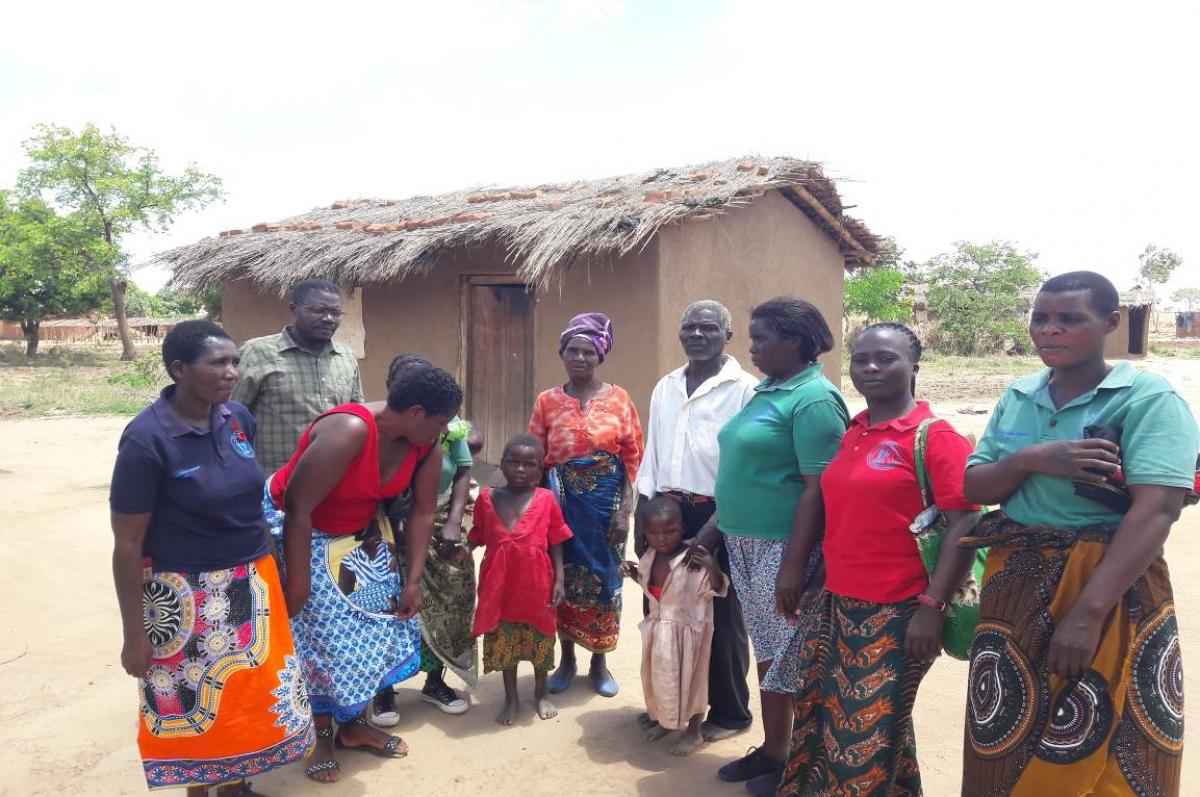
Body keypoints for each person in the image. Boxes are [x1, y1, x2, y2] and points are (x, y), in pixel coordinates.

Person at [960, 272, 1199, 796]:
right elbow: (974, 482)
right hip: (1014, 586)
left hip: (1108, 586)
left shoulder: (1146, 399)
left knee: (1111, 732)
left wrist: (1088, 615)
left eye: (1070, 319)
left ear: (1110, 323)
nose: (1050, 331)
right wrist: (1035, 459)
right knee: (1002, 726)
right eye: (1041, 318)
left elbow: (1157, 510)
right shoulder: (1019, 395)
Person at [776, 322, 981, 795]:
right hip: (838, 604)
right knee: (828, 717)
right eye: (860, 358)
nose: (869, 368)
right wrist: (819, 582)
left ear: (913, 366)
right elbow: (848, 516)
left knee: (860, 738)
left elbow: (965, 525)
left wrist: (932, 608)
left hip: (901, 608)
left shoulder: (936, 437)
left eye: (884, 359)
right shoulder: (856, 430)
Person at [109, 320, 314, 795]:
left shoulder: (237, 418)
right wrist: (134, 634)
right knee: (193, 702)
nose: (231, 372)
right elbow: (126, 544)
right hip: (185, 595)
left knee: (245, 695)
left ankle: (235, 785)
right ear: (180, 369)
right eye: (218, 362)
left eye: (235, 362)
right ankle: (198, 789)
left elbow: (253, 503)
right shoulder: (147, 440)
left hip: (251, 580)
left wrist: (277, 576)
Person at [265, 360, 462, 784]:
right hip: (302, 528)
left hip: (358, 530)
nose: (444, 431)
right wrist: (298, 584)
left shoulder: (423, 445)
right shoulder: (350, 431)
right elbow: (298, 507)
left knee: (379, 620)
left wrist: (412, 582)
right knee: (319, 633)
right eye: (441, 422)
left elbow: (425, 512)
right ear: (415, 414)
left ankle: (353, 727)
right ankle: (318, 735)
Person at [702, 297, 850, 796]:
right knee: (769, 651)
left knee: (796, 656)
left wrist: (793, 567)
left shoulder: (813, 399)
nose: (753, 348)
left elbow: (822, 489)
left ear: (795, 341)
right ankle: (775, 749)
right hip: (746, 545)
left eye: (762, 338)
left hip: (783, 548)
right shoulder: (769, 389)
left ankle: (806, 767)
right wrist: (714, 532)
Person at [635, 299, 757, 742]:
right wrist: (641, 511)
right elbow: (652, 450)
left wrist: (716, 525)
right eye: (690, 327)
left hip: (718, 511)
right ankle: (670, 705)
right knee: (664, 611)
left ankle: (730, 712)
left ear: (727, 336)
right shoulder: (666, 385)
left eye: (708, 328)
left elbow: (744, 467)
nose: (697, 335)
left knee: (719, 617)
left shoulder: (744, 388)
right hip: (666, 510)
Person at [529, 312, 644, 697]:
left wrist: (625, 511)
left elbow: (632, 458)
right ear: (562, 353)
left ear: (600, 357)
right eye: (572, 351)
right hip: (560, 502)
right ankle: (567, 660)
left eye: (588, 352)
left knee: (606, 579)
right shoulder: (546, 401)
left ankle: (599, 662)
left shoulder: (619, 398)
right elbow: (536, 456)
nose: (579, 358)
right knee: (560, 578)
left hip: (606, 502)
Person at [385, 354, 479, 719]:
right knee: (390, 603)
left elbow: (464, 470)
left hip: (438, 517)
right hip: (389, 522)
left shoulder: (446, 423)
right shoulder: (384, 428)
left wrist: (454, 521)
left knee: (453, 597)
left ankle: (435, 681)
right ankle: (384, 689)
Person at [468, 435, 572, 725]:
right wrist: (463, 550)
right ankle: (511, 697)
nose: (520, 469)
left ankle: (540, 694)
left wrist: (560, 578)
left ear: (540, 470)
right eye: (513, 462)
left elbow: (556, 541)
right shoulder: (488, 498)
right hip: (500, 585)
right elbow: (477, 534)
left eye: (529, 464)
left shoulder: (546, 499)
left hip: (538, 583)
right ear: (502, 464)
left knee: (541, 638)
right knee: (506, 639)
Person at [622, 497, 728, 757]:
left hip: (689, 635)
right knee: (658, 680)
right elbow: (656, 591)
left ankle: (694, 732)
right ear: (644, 533)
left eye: (669, 531)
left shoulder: (692, 559)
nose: (662, 538)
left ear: (682, 528)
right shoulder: (649, 557)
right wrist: (633, 573)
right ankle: (664, 721)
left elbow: (718, 588)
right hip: (658, 634)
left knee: (693, 683)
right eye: (654, 532)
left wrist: (712, 567)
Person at [233, 278, 365, 474]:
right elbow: (230, 418)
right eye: (319, 310)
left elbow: (357, 413)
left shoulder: (346, 357)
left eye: (335, 313)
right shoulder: (257, 353)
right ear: (294, 309)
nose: (329, 318)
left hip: (334, 479)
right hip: (274, 483)